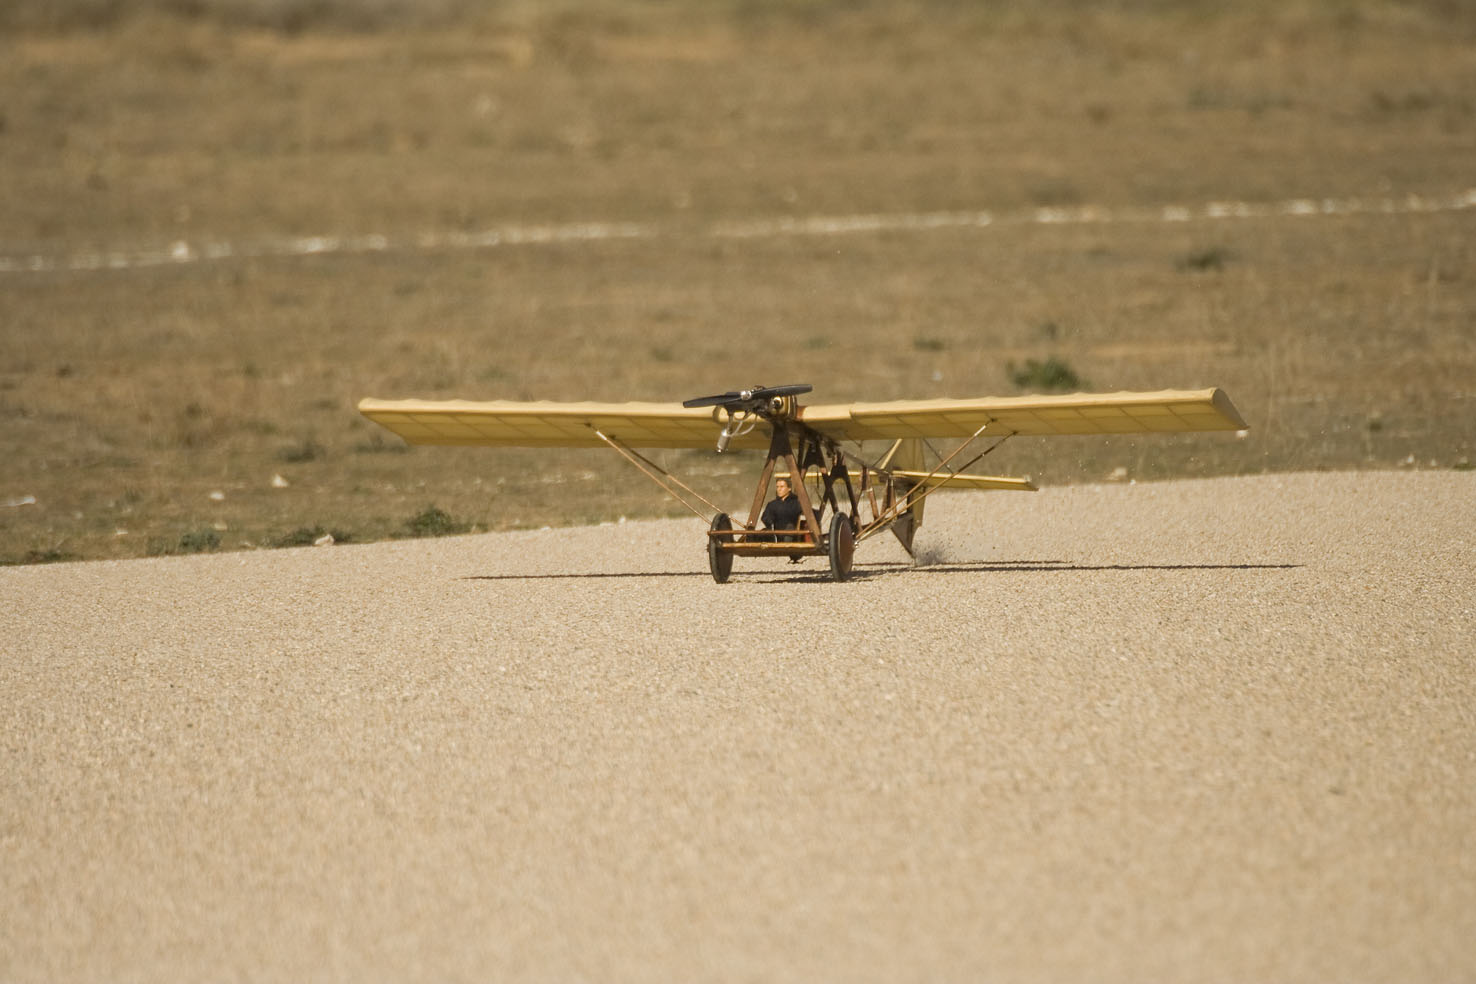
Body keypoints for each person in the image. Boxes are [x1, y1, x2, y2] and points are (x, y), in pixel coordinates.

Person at [761, 477, 805, 559]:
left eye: (782, 487)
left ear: (789, 488)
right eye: (777, 487)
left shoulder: (796, 503)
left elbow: (809, 513)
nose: (779, 489)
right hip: (776, 533)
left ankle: (790, 550)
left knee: (790, 527)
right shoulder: (772, 504)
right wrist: (769, 521)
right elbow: (765, 517)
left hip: (792, 535)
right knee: (762, 532)